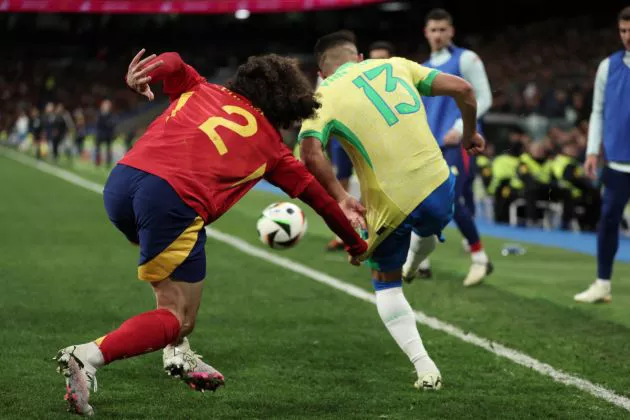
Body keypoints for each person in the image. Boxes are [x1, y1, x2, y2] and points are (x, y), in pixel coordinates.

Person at [54, 50, 368, 416]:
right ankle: (87, 356)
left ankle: (178, 354)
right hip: (170, 201)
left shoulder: (200, 88)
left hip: (121, 184)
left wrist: (145, 72)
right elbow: (322, 201)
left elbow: (172, 60)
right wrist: (355, 242)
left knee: (173, 286)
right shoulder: (274, 150)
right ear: (286, 105)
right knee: (178, 316)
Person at [299, 31, 484, 391]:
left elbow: (309, 154)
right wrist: (469, 135)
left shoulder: (322, 96)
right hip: (438, 183)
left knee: (386, 285)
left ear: (322, 72)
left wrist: (340, 196)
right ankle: (417, 260)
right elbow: (464, 90)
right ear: (361, 56)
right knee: (429, 227)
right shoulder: (396, 65)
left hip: (389, 204)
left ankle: (425, 367)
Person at [415, 8, 493, 286]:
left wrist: (460, 128)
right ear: (426, 33)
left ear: (451, 31)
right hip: (432, 146)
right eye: (432, 30)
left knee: (450, 200)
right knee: (425, 202)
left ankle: (480, 258)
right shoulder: (422, 68)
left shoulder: (467, 59)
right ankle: (420, 261)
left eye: (442, 30)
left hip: (461, 142)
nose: (437, 35)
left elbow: (484, 98)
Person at [575, 6, 630, 303]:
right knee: (608, 220)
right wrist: (593, 150)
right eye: (623, 31)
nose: (627, 37)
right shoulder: (608, 67)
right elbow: (597, 112)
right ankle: (602, 283)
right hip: (618, 163)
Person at [325, 38, 396, 252]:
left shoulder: (395, 85)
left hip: (373, 140)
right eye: (374, 60)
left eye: (383, 59)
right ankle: (342, 232)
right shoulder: (354, 79)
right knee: (342, 184)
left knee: (370, 186)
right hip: (343, 138)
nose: (377, 64)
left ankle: (366, 230)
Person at [95, 99, 115, 167]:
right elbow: (98, 124)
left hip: (108, 135)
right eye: (105, 105)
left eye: (108, 105)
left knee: (108, 149)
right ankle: (97, 162)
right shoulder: (99, 113)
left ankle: (108, 163)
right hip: (100, 134)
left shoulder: (111, 115)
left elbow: (112, 125)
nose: (106, 106)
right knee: (98, 148)